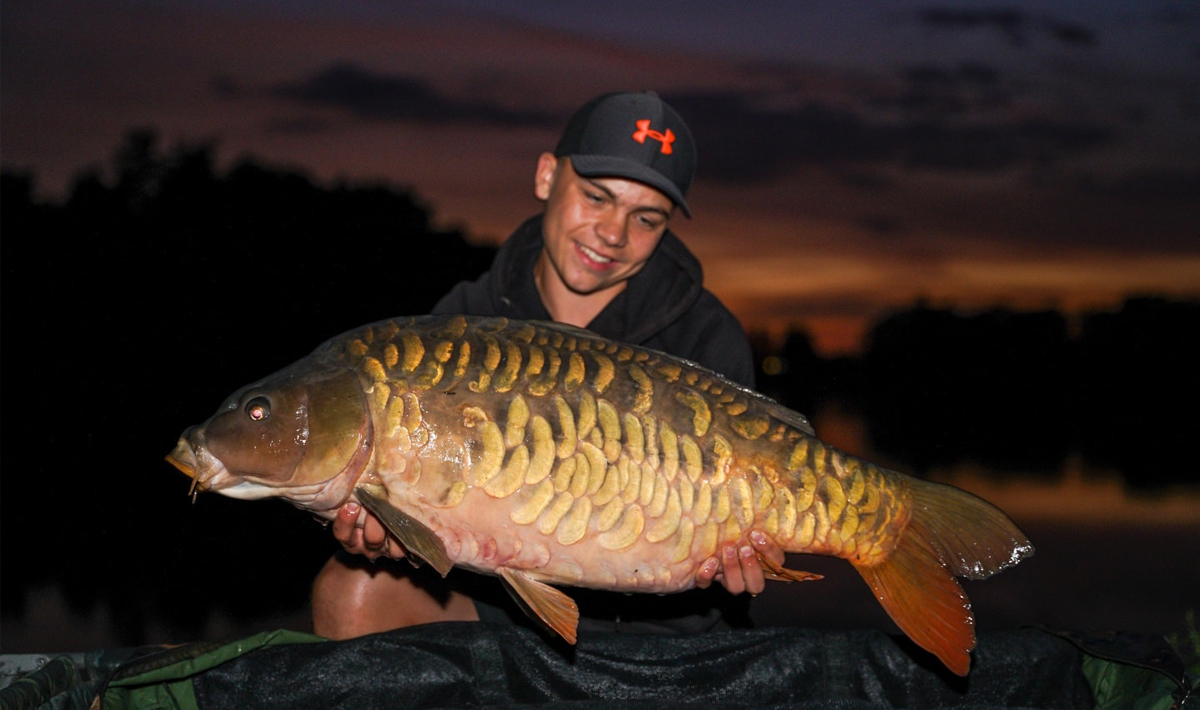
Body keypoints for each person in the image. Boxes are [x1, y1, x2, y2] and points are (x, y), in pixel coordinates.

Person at [312, 91, 785, 639]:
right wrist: (395, 534)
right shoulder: (464, 322)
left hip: (669, 622)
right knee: (349, 590)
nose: (613, 232)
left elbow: (750, 522)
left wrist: (747, 557)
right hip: (498, 600)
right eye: (596, 197)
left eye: (646, 217)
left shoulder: (706, 334)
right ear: (545, 177)